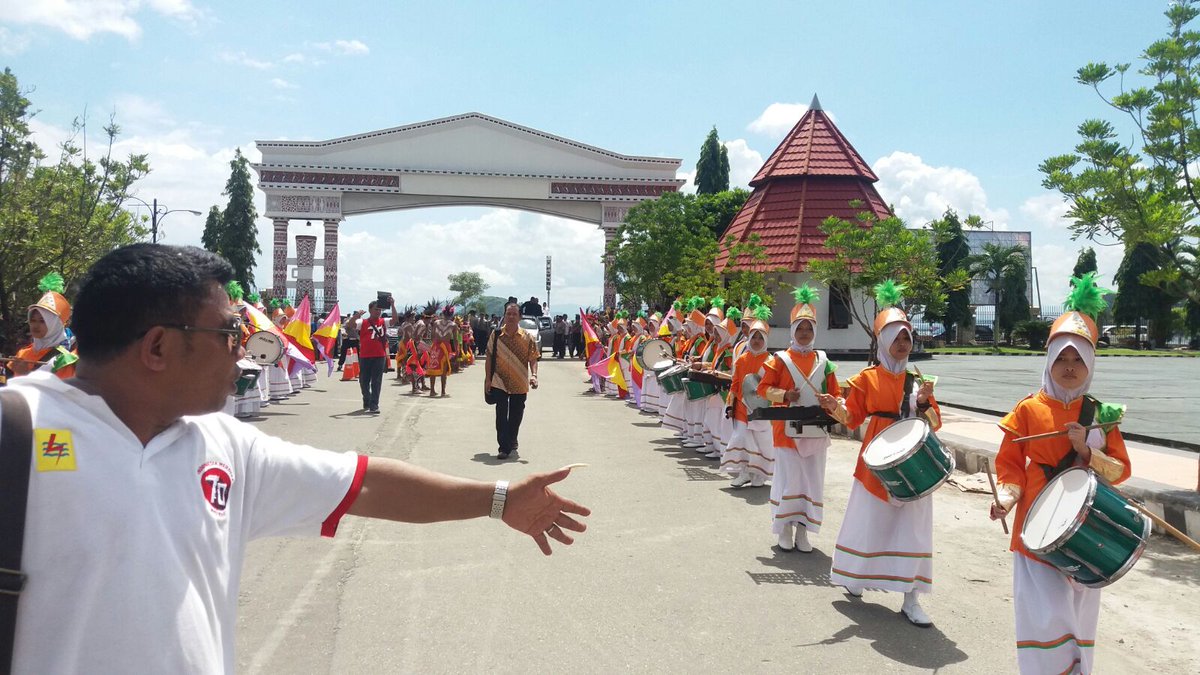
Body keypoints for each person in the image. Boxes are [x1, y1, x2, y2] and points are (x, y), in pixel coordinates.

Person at [2, 244, 590, 674]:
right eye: (229, 335)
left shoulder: (223, 445)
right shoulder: (17, 431)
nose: (249, 351)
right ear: (157, 346)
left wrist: (498, 500)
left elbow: (364, 485)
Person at [989, 273, 1130, 675]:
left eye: (1078, 359)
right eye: (1062, 358)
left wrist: (1087, 449)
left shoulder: (1102, 415)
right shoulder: (1028, 410)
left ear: (1090, 364)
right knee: (1045, 614)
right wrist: (1006, 498)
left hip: (1089, 527)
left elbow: (1120, 471)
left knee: (1080, 614)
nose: (1070, 367)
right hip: (1036, 524)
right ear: (1049, 360)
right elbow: (1010, 465)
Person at [828, 280, 941, 627]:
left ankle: (911, 598)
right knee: (869, 523)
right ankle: (855, 575)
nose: (903, 344)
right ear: (883, 343)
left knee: (914, 530)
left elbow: (935, 424)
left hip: (914, 464)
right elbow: (853, 418)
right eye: (897, 339)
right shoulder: (866, 379)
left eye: (907, 338)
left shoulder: (917, 379)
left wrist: (923, 404)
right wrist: (836, 407)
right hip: (876, 463)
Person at [754, 287, 843, 550]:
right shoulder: (779, 360)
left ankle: (804, 530)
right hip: (786, 431)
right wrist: (784, 394)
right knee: (789, 478)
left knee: (812, 480)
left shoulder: (823, 361)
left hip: (816, 430)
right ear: (793, 331)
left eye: (809, 329)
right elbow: (762, 389)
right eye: (800, 328)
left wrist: (831, 401)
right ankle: (784, 528)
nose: (804, 334)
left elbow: (836, 392)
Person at [485, 301, 540, 460]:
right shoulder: (496, 335)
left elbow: (533, 358)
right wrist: (488, 379)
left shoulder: (527, 337)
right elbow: (489, 357)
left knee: (516, 415)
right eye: (508, 313)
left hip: (519, 381)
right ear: (504, 315)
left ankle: (512, 438)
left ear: (519, 317)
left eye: (514, 314)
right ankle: (504, 447)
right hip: (499, 380)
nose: (510, 316)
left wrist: (534, 376)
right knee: (501, 414)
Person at [6, 273, 78, 380]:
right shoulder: (23, 353)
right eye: (33, 320)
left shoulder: (64, 360)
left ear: (55, 325)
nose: (35, 325)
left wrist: (26, 375)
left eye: (42, 321)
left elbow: (58, 394)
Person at [358, 297, 395, 412]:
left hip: (379, 356)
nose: (378, 312)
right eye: (375, 309)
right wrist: (356, 316)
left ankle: (374, 405)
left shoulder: (383, 321)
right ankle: (367, 398)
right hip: (364, 356)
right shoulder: (362, 322)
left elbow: (394, 320)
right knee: (364, 381)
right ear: (370, 310)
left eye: (379, 310)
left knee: (376, 381)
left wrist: (393, 305)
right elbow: (349, 325)